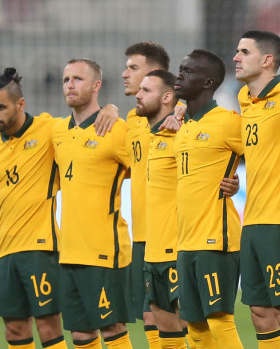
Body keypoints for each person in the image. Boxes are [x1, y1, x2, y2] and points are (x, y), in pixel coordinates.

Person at [0, 68, 68, 349]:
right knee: (14, 332)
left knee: (48, 329)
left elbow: (83, 124)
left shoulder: (49, 129)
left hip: (41, 249)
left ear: (20, 104)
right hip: (6, 255)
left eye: (0, 107)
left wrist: (110, 110)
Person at [52, 58, 133, 349]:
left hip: (104, 250)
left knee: (112, 328)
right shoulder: (57, 131)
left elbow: (152, 167)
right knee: (81, 335)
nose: (70, 85)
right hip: (69, 251)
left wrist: (113, 109)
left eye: (78, 79)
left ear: (97, 85)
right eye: (65, 79)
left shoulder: (116, 129)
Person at [233, 30, 280, 349]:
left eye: (244, 52)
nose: (235, 57)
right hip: (252, 218)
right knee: (260, 312)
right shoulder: (243, 99)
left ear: (267, 60)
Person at [173, 49, 244, 348]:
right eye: (180, 69)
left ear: (208, 82)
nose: (179, 75)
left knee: (219, 319)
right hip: (186, 238)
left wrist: (237, 179)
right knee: (195, 326)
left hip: (216, 235)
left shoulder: (227, 122)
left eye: (188, 72)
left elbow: (267, 155)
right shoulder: (184, 125)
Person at [134, 69, 189, 349]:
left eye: (146, 90)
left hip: (179, 249)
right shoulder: (148, 134)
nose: (137, 94)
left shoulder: (184, 134)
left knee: (196, 332)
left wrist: (230, 179)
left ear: (167, 97)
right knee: (167, 337)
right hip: (152, 251)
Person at [122, 42, 171, 348]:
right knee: (150, 319)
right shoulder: (131, 121)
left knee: (177, 321)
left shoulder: (182, 119)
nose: (124, 73)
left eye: (132, 68)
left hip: (172, 236)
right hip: (140, 234)